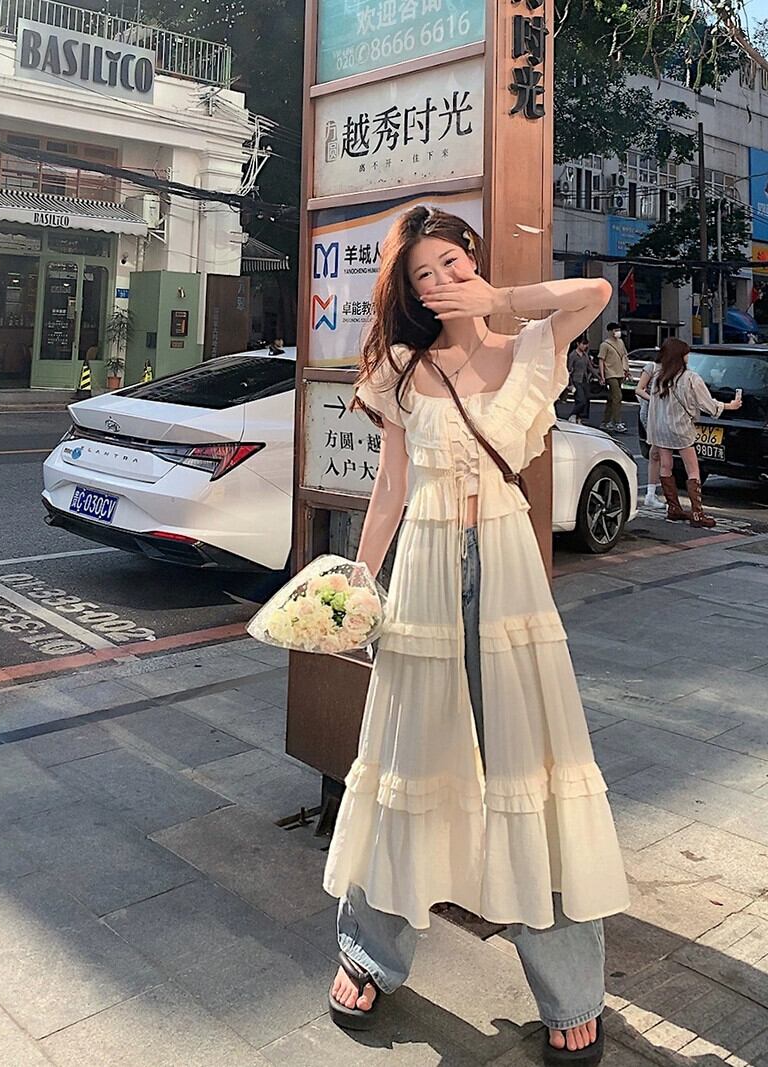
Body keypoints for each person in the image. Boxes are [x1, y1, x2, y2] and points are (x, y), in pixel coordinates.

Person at [326, 206, 629, 1064]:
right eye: (422, 275)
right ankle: (370, 951)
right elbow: (391, 486)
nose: (439, 283)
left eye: (451, 263)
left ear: (475, 259)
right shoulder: (399, 366)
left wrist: (498, 299)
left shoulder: (529, 347)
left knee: (529, 763)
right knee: (408, 754)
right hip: (423, 563)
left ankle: (569, 988)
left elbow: (594, 292)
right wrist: (358, 582)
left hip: (505, 566)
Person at [647, 337, 742, 527]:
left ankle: (673, 508)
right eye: (686, 353)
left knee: (666, 466)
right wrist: (730, 405)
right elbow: (707, 404)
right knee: (692, 469)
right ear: (680, 356)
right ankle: (697, 514)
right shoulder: (690, 378)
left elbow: (654, 407)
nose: (688, 356)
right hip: (681, 429)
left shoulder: (658, 378)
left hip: (661, 428)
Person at [634, 352, 664, 510]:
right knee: (657, 451)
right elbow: (639, 389)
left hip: (663, 412)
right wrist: (652, 400)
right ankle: (651, 494)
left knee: (658, 451)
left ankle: (653, 493)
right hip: (650, 412)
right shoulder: (651, 367)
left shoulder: (672, 370)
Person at [598, 322, 629, 433]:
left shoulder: (620, 342)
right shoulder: (605, 345)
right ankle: (617, 422)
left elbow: (624, 356)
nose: (618, 332)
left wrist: (626, 370)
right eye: (616, 330)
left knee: (612, 398)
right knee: (617, 396)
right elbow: (601, 360)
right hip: (610, 374)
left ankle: (606, 421)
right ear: (610, 331)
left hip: (620, 373)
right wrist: (602, 376)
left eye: (618, 330)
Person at [567, 336, 593, 424]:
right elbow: (569, 369)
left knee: (586, 399)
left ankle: (579, 417)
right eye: (583, 344)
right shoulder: (573, 355)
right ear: (578, 344)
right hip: (576, 379)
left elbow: (590, 367)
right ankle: (573, 414)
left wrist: (599, 377)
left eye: (586, 344)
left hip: (584, 379)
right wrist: (570, 383)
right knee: (581, 400)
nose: (585, 346)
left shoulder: (585, 355)